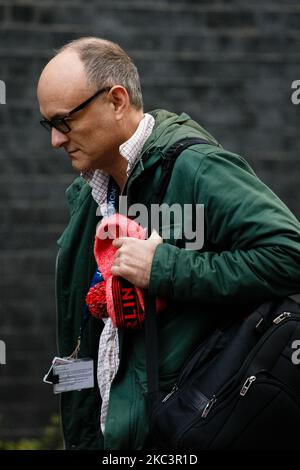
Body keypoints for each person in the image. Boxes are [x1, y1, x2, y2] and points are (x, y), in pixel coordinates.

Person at [37, 37, 300, 450]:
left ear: (117, 100)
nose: (55, 140)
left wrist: (163, 269)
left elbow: (289, 255)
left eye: (63, 122)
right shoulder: (87, 199)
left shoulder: (195, 167)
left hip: (181, 437)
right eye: (47, 125)